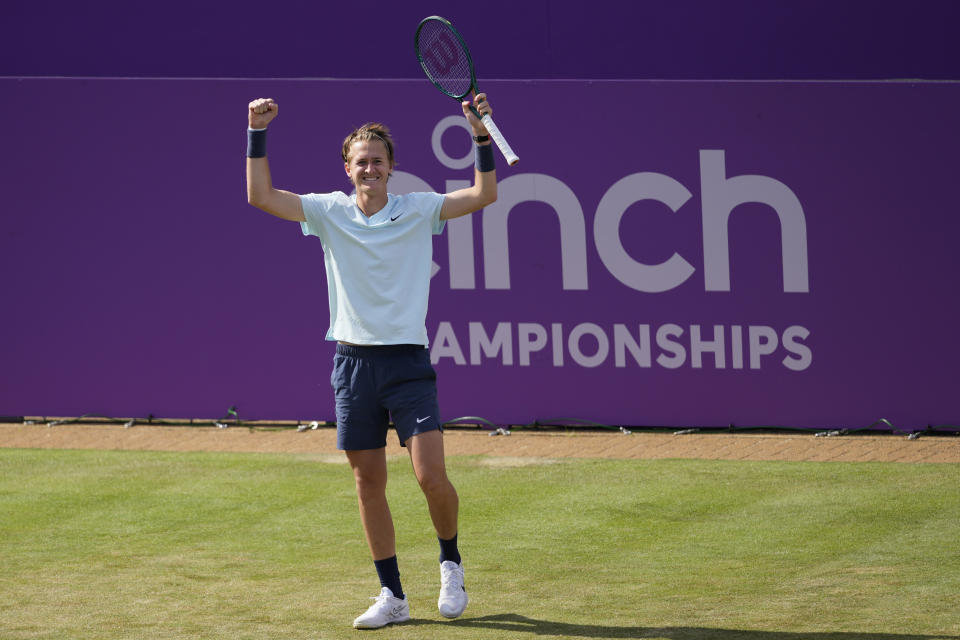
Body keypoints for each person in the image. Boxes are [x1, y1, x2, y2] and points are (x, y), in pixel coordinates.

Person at [245, 92, 498, 629]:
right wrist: (256, 131)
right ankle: (393, 596)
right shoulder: (328, 211)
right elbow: (260, 196)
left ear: (391, 168)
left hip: (407, 363)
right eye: (360, 161)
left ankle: (450, 562)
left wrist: (480, 135)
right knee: (368, 484)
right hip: (354, 365)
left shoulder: (420, 207)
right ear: (348, 168)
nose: (369, 168)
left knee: (431, 476)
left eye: (377, 160)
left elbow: (483, 194)